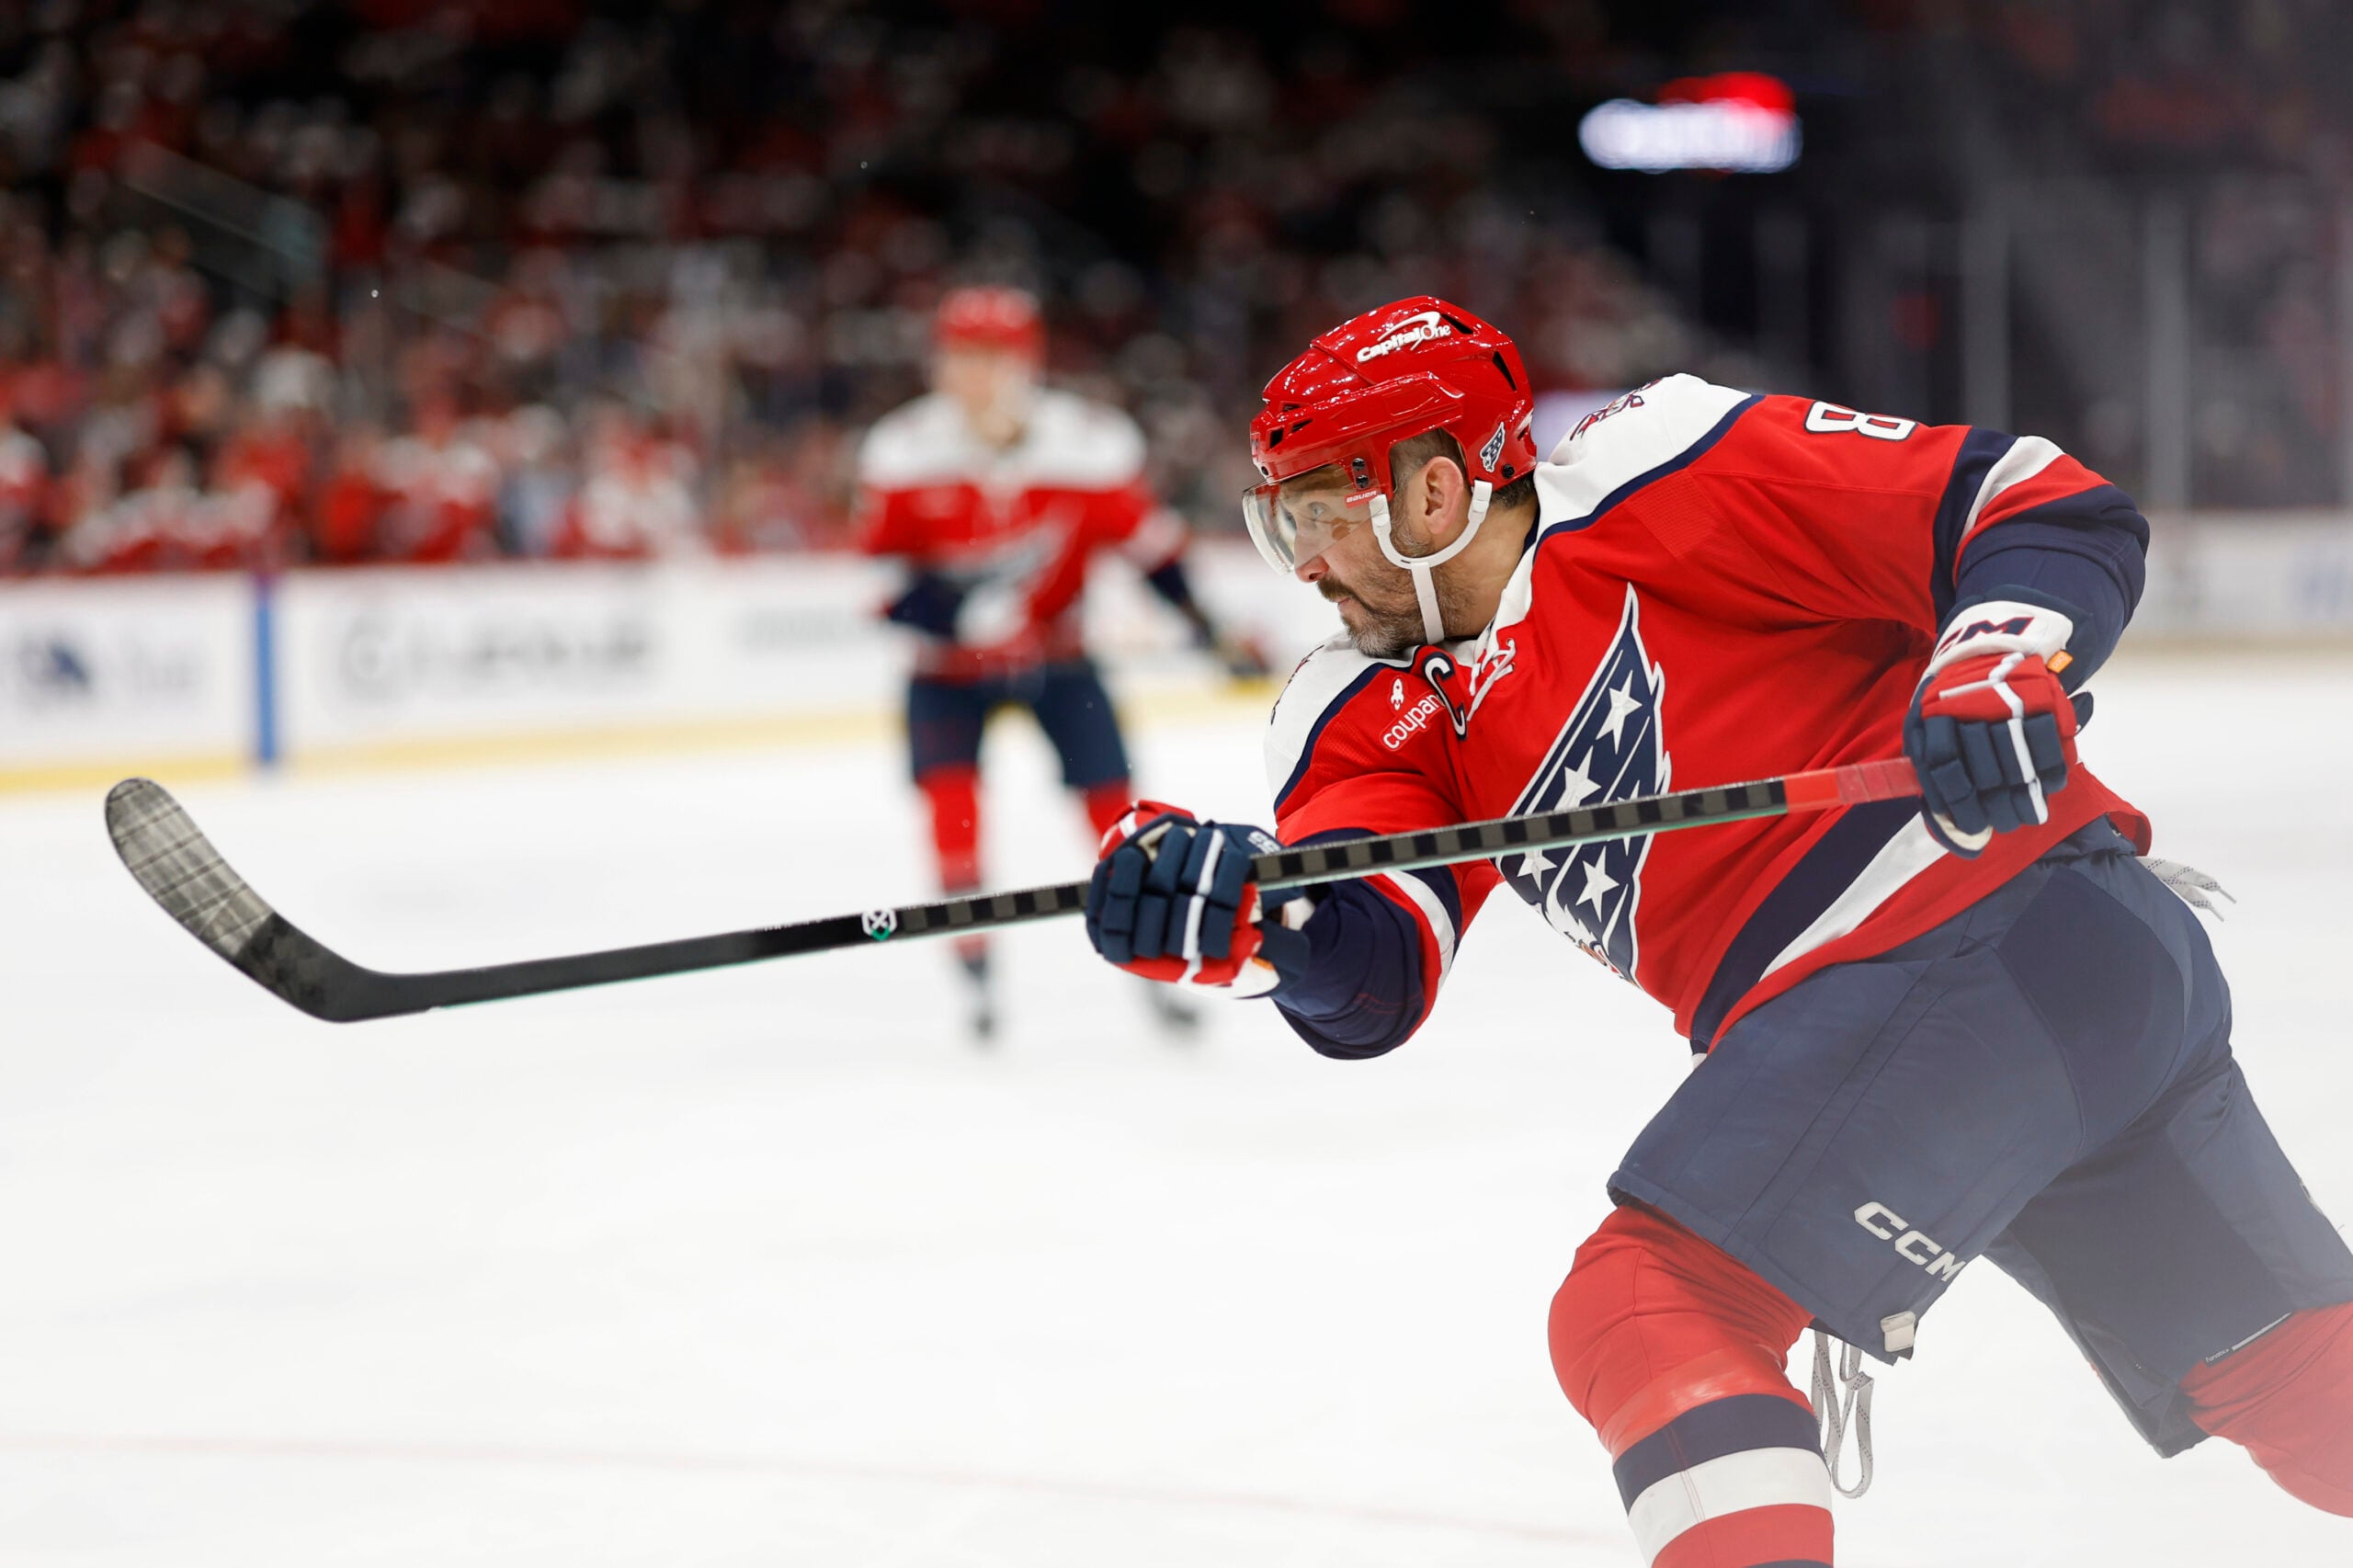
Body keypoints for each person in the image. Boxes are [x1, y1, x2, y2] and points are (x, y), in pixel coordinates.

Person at [1082, 296, 2353, 1564]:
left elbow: (2033, 505)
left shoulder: (1661, 469)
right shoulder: (1356, 705)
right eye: (1281, 520)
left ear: (1432, 491)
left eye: (1320, 511)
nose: (1302, 560)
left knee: (1651, 1304)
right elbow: (1374, 966)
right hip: (2073, 982)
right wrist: (1252, 919)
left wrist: (1996, 655)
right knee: (2299, 1386)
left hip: (1962, 947)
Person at [857, 284, 1264, 1042]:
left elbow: (1152, 549)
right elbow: (877, 582)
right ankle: (975, 975)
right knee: (953, 819)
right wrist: (955, 613)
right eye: (957, 357)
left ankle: (1157, 964)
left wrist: (1211, 631)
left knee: (1117, 815)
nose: (969, 376)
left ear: (1025, 363)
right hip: (946, 673)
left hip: (1062, 660)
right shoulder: (903, 450)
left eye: (988, 358)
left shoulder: (1088, 444)